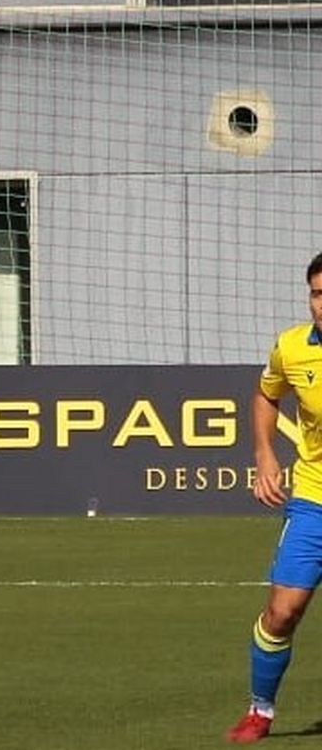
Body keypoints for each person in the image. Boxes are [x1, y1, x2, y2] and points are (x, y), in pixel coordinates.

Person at [227, 251, 322, 743]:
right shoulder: (292, 347)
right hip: (313, 500)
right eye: (317, 293)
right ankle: (260, 710)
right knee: (282, 612)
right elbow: (267, 394)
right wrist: (265, 455)